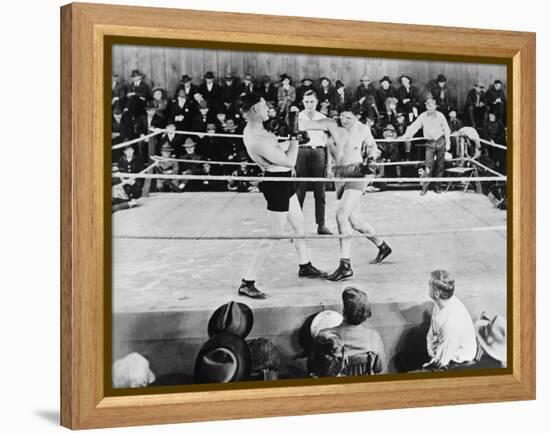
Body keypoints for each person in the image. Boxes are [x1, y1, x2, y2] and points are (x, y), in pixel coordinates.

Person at [238, 94, 326, 299]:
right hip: (276, 183)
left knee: (298, 224)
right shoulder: (257, 138)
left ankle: (304, 265)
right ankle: (247, 281)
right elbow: (288, 161)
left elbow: (279, 151)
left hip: (285, 181)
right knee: (274, 234)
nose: (267, 109)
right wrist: (295, 139)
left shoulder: (260, 129)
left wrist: (290, 140)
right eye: (262, 106)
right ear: (253, 111)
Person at [299, 101, 392, 281]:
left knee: (341, 215)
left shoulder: (363, 129)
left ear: (357, 117)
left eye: (349, 117)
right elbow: (307, 124)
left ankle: (345, 265)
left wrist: (372, 159)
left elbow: (373, 146)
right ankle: (382, 246)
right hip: (340, 175)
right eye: (342, 116)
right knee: (356, 222)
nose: (345, 120)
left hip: (358, 173)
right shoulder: (331, 123)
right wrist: (292, 119)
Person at [320, 286, 385, 374]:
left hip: (337, 386)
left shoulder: (324, 335)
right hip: (363, 385)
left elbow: (318, 367)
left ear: (343, 311)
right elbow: (379, 368)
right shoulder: (374, 336)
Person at [423, 270, 477, 370]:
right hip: (443, 346)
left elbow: (441, 360)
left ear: (437, 294)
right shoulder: (442, 302)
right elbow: (431, 335)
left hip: (457, 360)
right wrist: (431, 350)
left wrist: (433, 356)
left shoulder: (450, 323)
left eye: (428, 285)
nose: (427, 287)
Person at [296, 90, 332, 235]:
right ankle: (297, 227)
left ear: (316, 102)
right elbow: (291, 141)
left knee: (320, 190)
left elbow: (329, 144)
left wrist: (329, 165)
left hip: (319, 153)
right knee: (299, 190)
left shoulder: (324, 118)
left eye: (312, 101)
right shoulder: (296, 118)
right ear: (302, 102)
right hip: (301, 152)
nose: (309, 104)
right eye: (306, 102)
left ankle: (321, 225)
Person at [403, 98, 451, 195]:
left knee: (440, 166)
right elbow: (415, 126)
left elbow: (446, 129)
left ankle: (438, 186)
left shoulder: (440, 116)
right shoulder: (423, 116)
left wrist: (448, 143)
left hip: (440, 141)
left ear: (435, 106)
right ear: (426, 106)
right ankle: (425, 187)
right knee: (428, 166)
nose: (430, 107)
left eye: (432, 105)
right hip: (429, 143)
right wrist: (406, 136)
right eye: (428, 106)